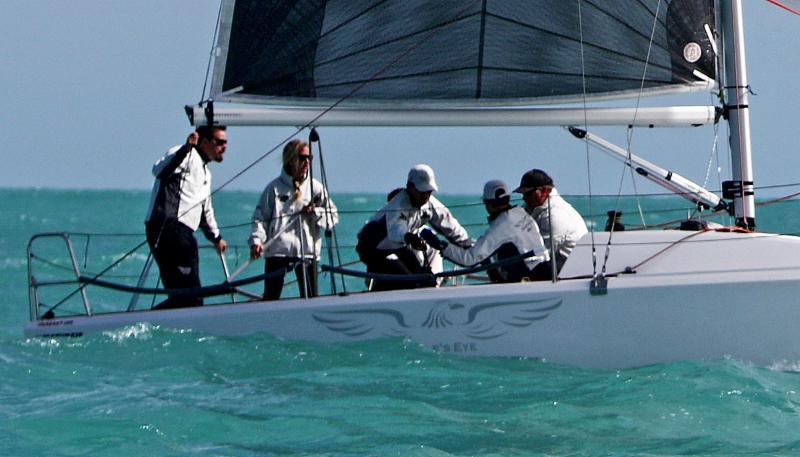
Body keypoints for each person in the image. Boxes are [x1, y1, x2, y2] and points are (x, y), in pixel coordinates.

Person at [145, 126, 228, 309]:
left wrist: (216, 237)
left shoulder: (206, 173)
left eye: (226, 142)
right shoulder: (184, 153)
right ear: (204, 142)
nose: (225, 146)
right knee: (190, 297)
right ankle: (145, 323)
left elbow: (205, 211)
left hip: (183, 234)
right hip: (169, 230)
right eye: (220, 142)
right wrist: (186, 148)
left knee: (186, 298)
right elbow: (159, 171)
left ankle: (149, 323)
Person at [356, 164, 472, 291]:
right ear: (410, 187)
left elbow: (448, 223)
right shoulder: (398, 204)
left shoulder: (429, 203)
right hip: (375, 250)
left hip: (400, 247)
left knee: (425, 278)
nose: (426, 197)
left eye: (429, 192)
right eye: (422, 192)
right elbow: (396, 231)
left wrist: (468, 245)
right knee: (409, 281)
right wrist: (409, 238)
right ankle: (378, 290)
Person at [249, 139, 338, 300]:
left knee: (310, 298)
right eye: (302, 158)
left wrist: (315, 212)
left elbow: (332, 217)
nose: (306, 162)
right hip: (278, 252)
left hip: (307, 253)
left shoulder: (315, 188)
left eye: (309, 158)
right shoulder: (274, 188)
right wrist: (256, 241)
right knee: (271, 298)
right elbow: (260, 218)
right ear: (290, 159)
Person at [421, 180, 551, 282]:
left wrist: (441, 246)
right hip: (545, 272)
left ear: (488, 203)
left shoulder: (500, 225)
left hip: (530, 281)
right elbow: (492, 244)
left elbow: (469, 259)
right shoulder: (521, 213)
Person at [513, 169, 588, 273]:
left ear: (544, 191)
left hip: (570, 269)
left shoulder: (555, 215)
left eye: (528, 194)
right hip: (554, 263)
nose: (524, 198)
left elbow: (540, 253)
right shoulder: (534, 206)